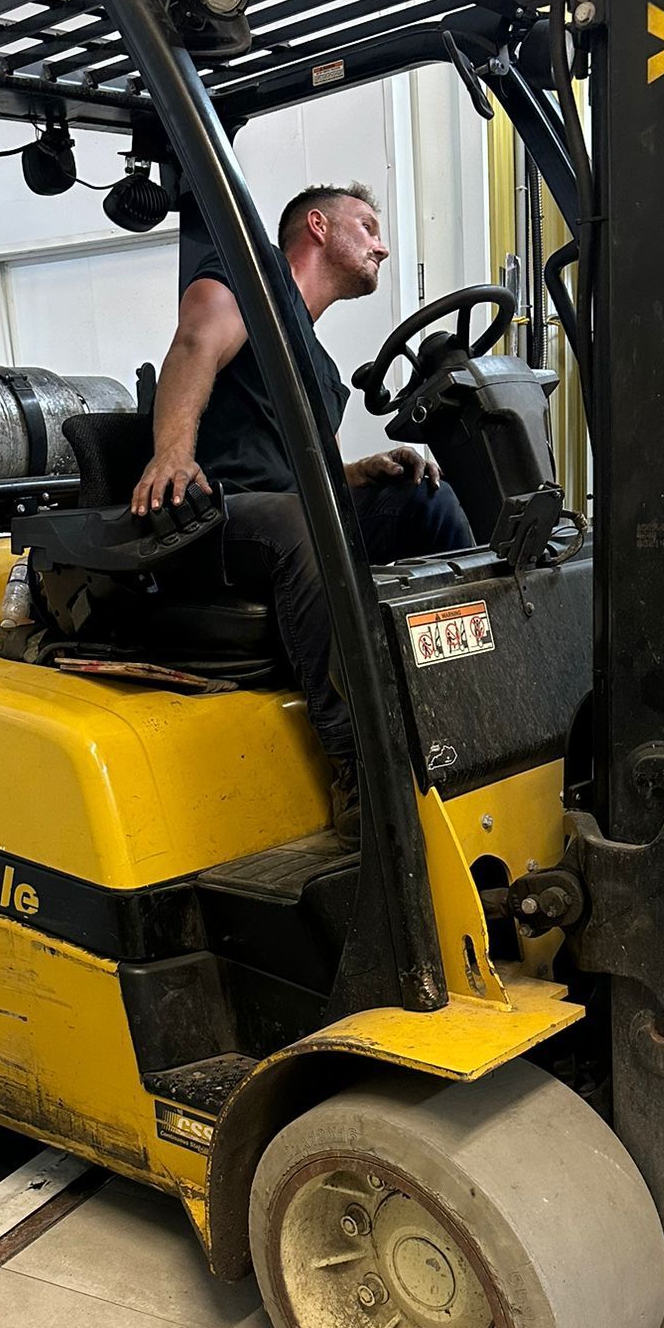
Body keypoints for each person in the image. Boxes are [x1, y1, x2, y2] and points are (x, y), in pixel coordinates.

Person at [129, 183, 474, 844]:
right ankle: (357, 766)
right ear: (317, 225)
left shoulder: (320, 368)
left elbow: (313, 472)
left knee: (425, 498)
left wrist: (362, 470)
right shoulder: (253, 278)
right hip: (211, 517)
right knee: (301, 525)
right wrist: (172, 453)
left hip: (287, 513)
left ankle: (462, 701)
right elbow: (195, 343)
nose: (382, 246)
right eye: (367, 226)